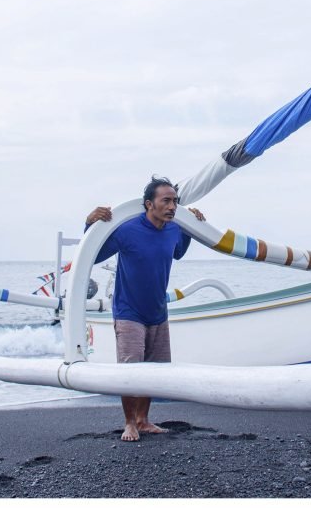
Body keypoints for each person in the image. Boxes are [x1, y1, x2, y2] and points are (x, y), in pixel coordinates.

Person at [85, 176, 205, 442]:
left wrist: (191, 226)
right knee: (131, 371)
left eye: (175, 201)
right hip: (129, 312)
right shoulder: (127, 229)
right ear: (149, 204)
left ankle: (144, 420)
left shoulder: (174, 229)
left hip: (158, 311)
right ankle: (129, 423)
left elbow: (178, 252)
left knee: (154, 371)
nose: (172, 206)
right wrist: (89, 223)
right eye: (166, 201)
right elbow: (93, 252)